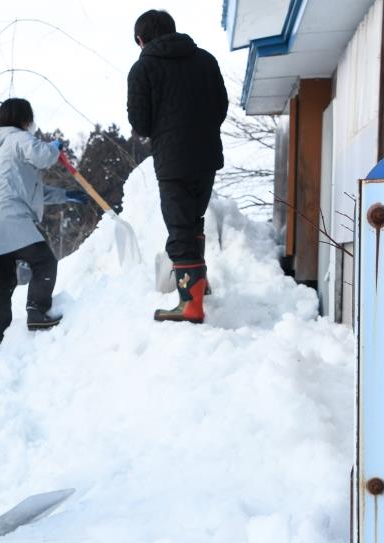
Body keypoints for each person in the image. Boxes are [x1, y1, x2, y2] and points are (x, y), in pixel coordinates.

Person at [127, 9, 228, 323]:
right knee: (193, 219)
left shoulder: (143, 68)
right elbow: (221, 106)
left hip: (173, 160)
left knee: (180, 227)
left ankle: (191, 304)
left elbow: (141, 123)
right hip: (207, 155)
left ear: (141, 39)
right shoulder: (206, 60)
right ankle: (198, 284)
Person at [0, 97, 88, 344]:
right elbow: (43, 156)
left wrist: (66, 195)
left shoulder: (5, 152)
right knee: (44, 262)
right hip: (8, 217)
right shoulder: (17, 137)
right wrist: (55, 148)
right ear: (24, 119)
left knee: (4, 280)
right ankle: (36, 311)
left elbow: (36, 192)